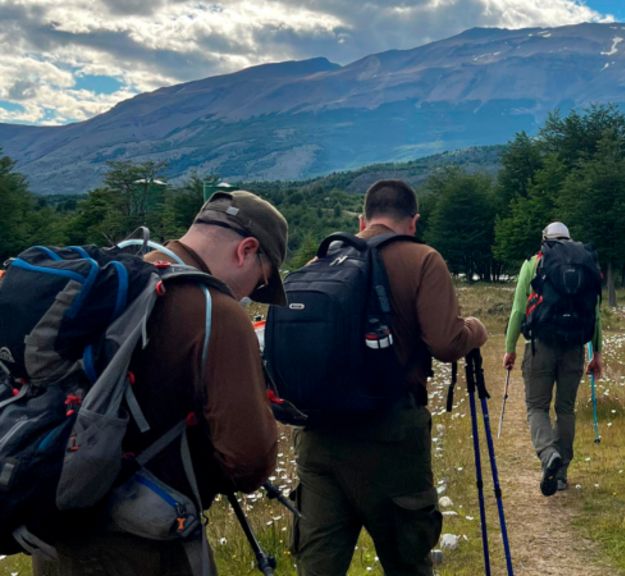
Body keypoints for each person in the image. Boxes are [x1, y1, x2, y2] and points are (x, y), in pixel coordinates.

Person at [34, 191, 288, 575]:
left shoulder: (115, 281)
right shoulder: (216, 311)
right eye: (262, 280)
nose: (252, 293)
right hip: (148, 544)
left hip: (56, 532)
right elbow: (249, 461)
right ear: (247, 250)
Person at [293, 180, 488, 576]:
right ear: (413, 222)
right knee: (407, 564)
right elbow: (447, 343)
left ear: (363, 220)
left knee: (316, 570)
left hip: (318, 438)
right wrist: (476, 330)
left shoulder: (320, 262)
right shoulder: (423, 259)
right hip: (391, 438)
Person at [503, 222, 604, 497]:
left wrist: (510, 347)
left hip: (539, 346)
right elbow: (595, 312)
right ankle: (561, 475)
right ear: (569, 240)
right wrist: (597, 353)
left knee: (536, 407)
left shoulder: (533, 264)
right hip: (574, 347)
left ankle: (548, 455)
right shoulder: (585, 265)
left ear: (544, 240)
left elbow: (517, 311)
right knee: (566, 409)